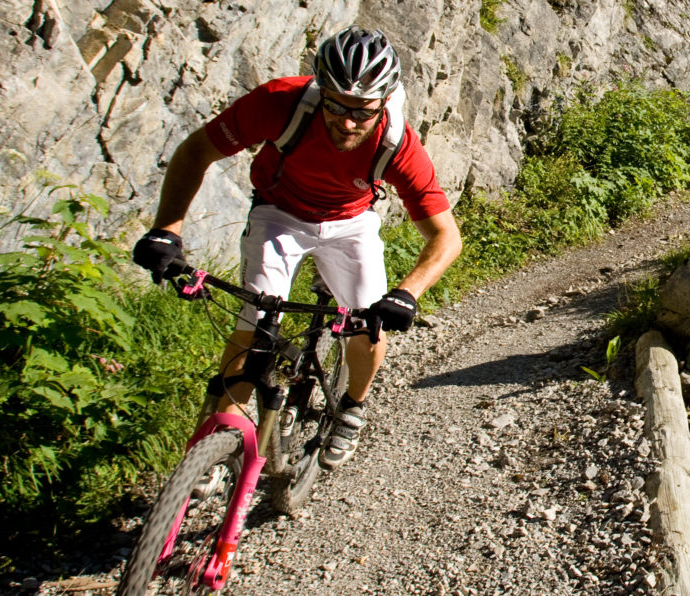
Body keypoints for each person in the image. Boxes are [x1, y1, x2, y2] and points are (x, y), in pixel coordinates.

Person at [131, 27, 461, 468]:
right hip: (279, 213)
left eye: (362, 111)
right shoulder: (279, 102)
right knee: (256, 324)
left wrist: (407, 293)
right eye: (336, 106)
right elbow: (196, 152)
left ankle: (352, 408)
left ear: (383, 101)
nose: (348, 122)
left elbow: (446, 236)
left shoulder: (398, 143)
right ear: (320, 90)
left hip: (351, 224)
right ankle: (215, 445)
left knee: (369, 326)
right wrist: (166, 229)